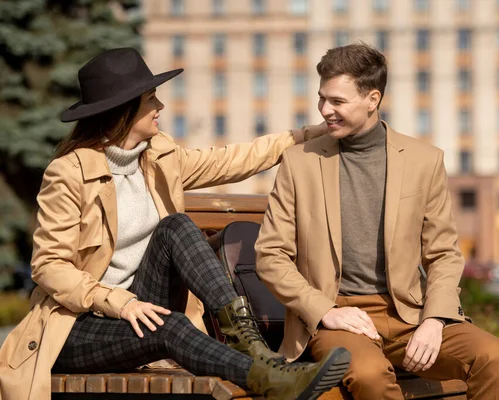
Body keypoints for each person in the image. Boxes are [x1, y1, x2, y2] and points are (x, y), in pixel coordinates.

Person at [0, 47, 350, 400]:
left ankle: (252, 348)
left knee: (176, 227)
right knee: (172, 326)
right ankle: (272, 380)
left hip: (140, 309)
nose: (160, 108)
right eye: (151, 99)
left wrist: (310, 134)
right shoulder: (68, 173)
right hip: (78, 325)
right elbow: (48, 266)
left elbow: (231, 160)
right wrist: (117, 302)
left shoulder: (159, 155)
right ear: (124, 109)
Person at [255, 43, 499, 399]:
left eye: (337, 101)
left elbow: (443, 254)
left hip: (410, 315)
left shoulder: (425, 161)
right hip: (339, 318)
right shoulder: (299, 163)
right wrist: (325, 311)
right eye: (322, 98)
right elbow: (270, 255)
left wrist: (435, 319)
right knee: (370, 376)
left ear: (372, 99)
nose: (324, 110)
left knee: (495, 357)